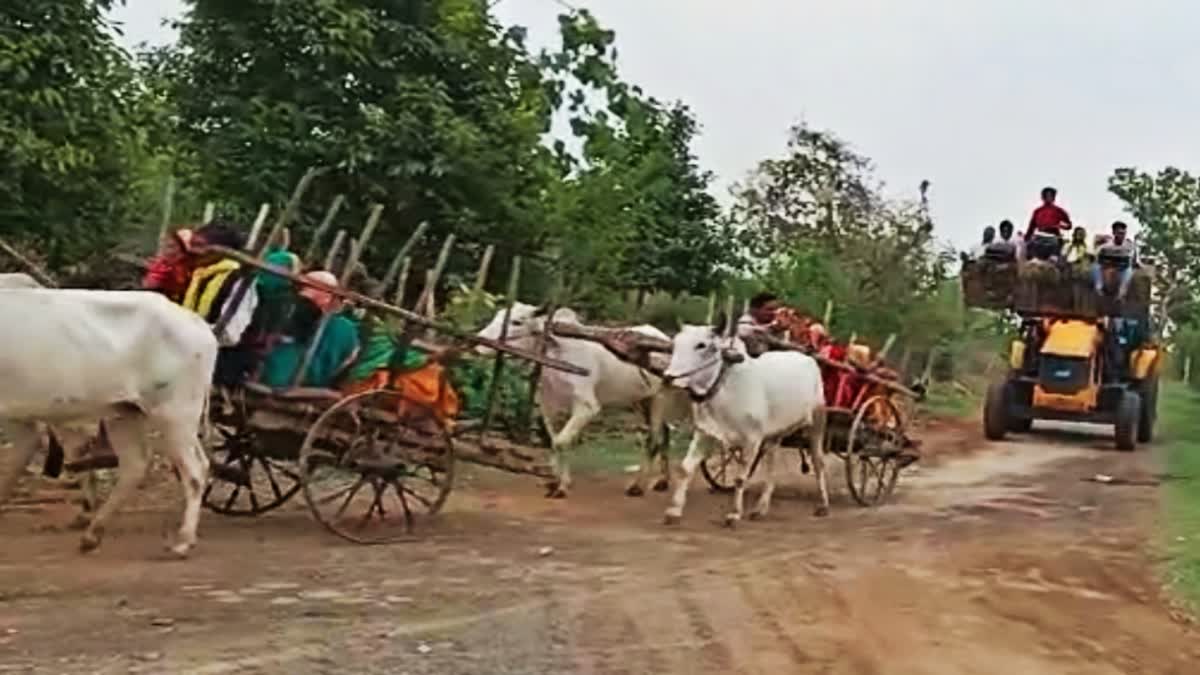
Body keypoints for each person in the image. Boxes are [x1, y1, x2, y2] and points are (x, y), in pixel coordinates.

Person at [258, 271, 360, 389]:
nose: (300, 292)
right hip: (309, 389)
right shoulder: (347, 329)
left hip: (271, 381)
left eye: (303, 288)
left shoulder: (287, 308)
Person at [1092, 221, 1138, 299]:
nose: (1121, 236)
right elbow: (1096, 257)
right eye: (1119, 233)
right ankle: (1099, 287)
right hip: (1107, 265)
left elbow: (1134, 258)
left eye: (1123, 233)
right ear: (1114, 233)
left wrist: (1135, 263)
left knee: (1129, 270)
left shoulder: (1129, 245)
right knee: (1095, 267)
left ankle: (1121, 292)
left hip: (1122, 267)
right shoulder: (1105, 245)